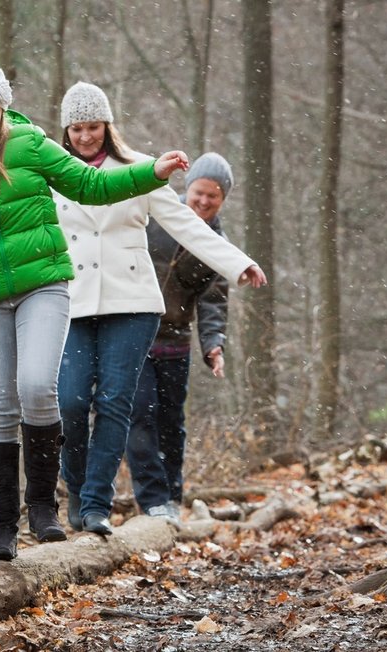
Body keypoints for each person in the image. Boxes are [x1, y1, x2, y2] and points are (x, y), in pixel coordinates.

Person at [0, 60, 190, 561]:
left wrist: (153, 172)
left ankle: (43, 509)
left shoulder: (31, 143)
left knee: (38, 386)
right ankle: (2, 528)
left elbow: (91, 185)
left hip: (45, 286)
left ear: (3, 109)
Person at [53, 82, 267, 536]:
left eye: (94, 127)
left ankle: (96, 504)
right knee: (70, 403)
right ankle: (75, 486)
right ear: (66, 129)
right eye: (77, 128)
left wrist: (238, 263)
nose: (86, 136)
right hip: (73, 300)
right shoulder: (54, 170)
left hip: (130, 302)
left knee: (115, 403)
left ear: (107, 126)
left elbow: (186, 223)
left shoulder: (137, 169)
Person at [126, 152, 242, 522]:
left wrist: (214, 345)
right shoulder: (156, 216)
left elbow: (213, 302)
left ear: (222, 200)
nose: (204, 202)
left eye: (213, 197)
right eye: (199, 193)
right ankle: (151, 498)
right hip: (134, 332)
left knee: (171, 421)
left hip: (175, 341)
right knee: (139, 414)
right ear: (187, 187)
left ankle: (172, 497)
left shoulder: (216, 244)